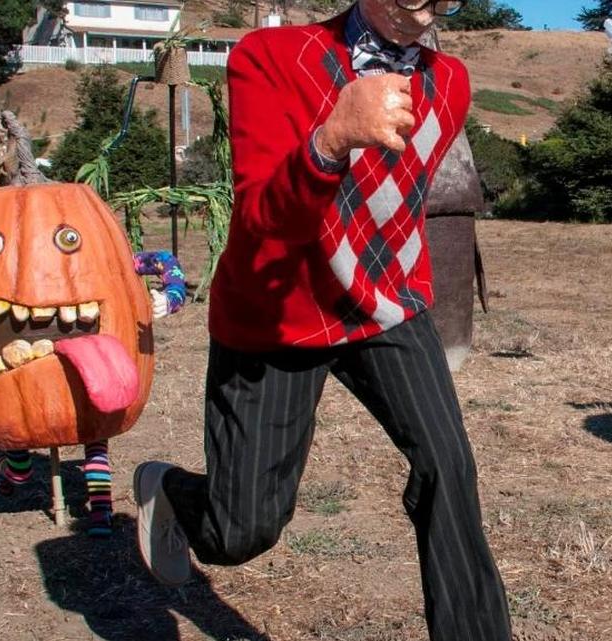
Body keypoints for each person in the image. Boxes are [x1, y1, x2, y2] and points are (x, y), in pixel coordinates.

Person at [132, 0, 512, 638]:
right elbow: (261, 222)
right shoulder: (270, 58)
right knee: (241, 531)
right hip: (278, 317)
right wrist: (332, 138)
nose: (421, 9)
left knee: (449, 468)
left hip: (385, 305)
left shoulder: (450, 81)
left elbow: (399, 200)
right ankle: (172, 493)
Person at [0, 199, 187, 537]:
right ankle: (11, 469)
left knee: (95, 428)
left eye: (70, 240)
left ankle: (100, 508)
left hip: (90, 364)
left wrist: (173, 294)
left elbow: (163, 261)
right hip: (16, 381)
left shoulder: (108, 257)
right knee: (19, 449)